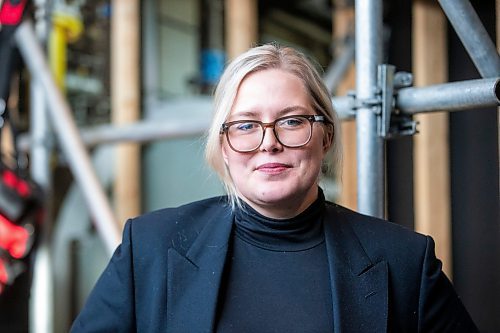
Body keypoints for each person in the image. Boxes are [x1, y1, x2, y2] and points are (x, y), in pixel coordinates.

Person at [71, 43, 478, 332]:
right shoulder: (149, 248)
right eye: (246, 125)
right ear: (224, 145)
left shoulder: (405, 261)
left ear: (327, 137)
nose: (270, 142)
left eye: (292, 121)